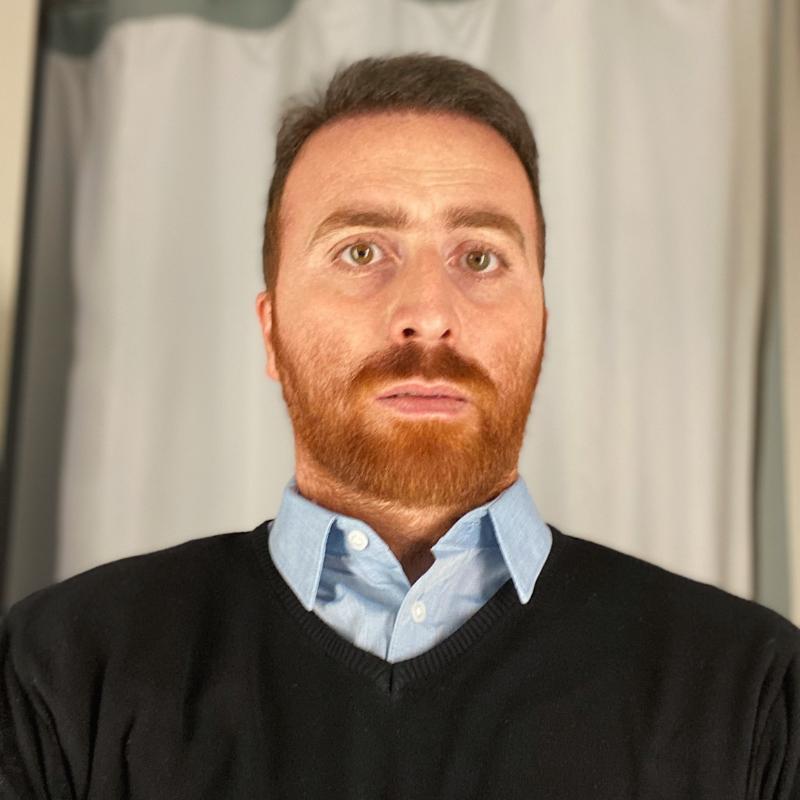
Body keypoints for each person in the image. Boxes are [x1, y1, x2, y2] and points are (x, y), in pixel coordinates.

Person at [1, 53, 798, 800]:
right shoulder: (61, 672)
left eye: (479, 257)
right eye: (360, 252)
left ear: (541, 331)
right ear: (272, 332)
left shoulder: (752, 693)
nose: (427, 313)